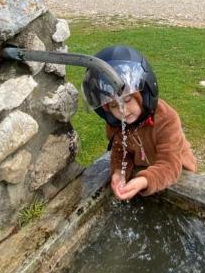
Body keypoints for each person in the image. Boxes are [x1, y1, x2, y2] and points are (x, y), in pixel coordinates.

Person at [82, 45, 197, 201]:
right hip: (143, 169)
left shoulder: (166, 119)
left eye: (127, 100)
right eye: (114, 105)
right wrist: (119, 173)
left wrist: (144, 181)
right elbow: (120, 151)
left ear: (143, 93)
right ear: (106, 109)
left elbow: (170, 164)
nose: (122, 110)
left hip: (176, 173)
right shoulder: (116, 125)